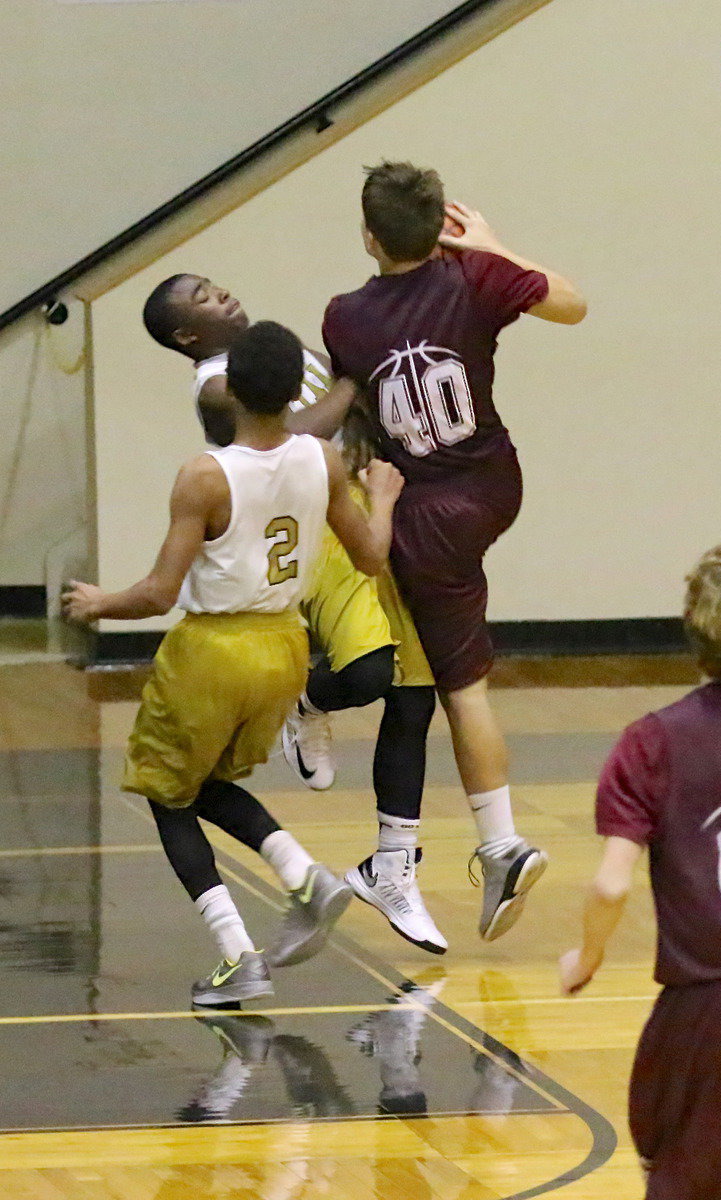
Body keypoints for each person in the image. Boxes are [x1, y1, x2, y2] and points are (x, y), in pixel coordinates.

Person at [63, 320, 405, 1003]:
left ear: (232, 394)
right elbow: (371, 558)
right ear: (290, 392)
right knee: (209, 784)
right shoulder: (322, 459)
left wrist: (99, 603)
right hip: (285, 647)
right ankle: (308, 879)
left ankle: (238, 955)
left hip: (216, 649)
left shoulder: (204, 475)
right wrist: (388, 499)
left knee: (165, 795)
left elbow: (160, 591)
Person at [142, 274, 446, 955]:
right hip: (308, 546)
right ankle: (312, 704)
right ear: (188, 335)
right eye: (202, 297)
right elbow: (299, 434)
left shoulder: (274, 352)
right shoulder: (219, 388)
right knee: (368, 675)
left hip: (358, 513)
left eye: (217, 284)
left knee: (413, 691)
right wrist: (352, 382)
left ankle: (390, 864)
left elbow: (339, 429)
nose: (222, 293)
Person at [323, 161, 587, 939]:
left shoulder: (345, 316)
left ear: (370, 236)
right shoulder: (476, 278)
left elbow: (354, 410)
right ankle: (397, 856)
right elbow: (571, 303)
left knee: (447, 684)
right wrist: (498, 245)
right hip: (494, 485)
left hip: (423, 512)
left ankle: (499, 844)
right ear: (443, 224)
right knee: (421, 669)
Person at [559, 537, 721, 1200]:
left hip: (713, 1011)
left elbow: (612, 881)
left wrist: (584, 959)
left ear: (694, 626)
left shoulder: (654, 742)